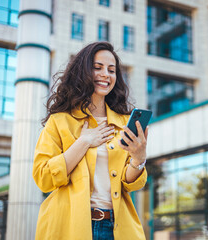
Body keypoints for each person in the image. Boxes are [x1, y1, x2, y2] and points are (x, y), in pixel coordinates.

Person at [32, 42, 148, 240]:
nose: (106, 74)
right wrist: (83, 142)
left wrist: (138, 159)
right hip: (70, 227)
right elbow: (43, 178)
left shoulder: (123, 123)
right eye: (97, 67)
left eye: (111, 70)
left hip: (118, 228)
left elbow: (129, 185)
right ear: (83, 72)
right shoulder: (59, 121)